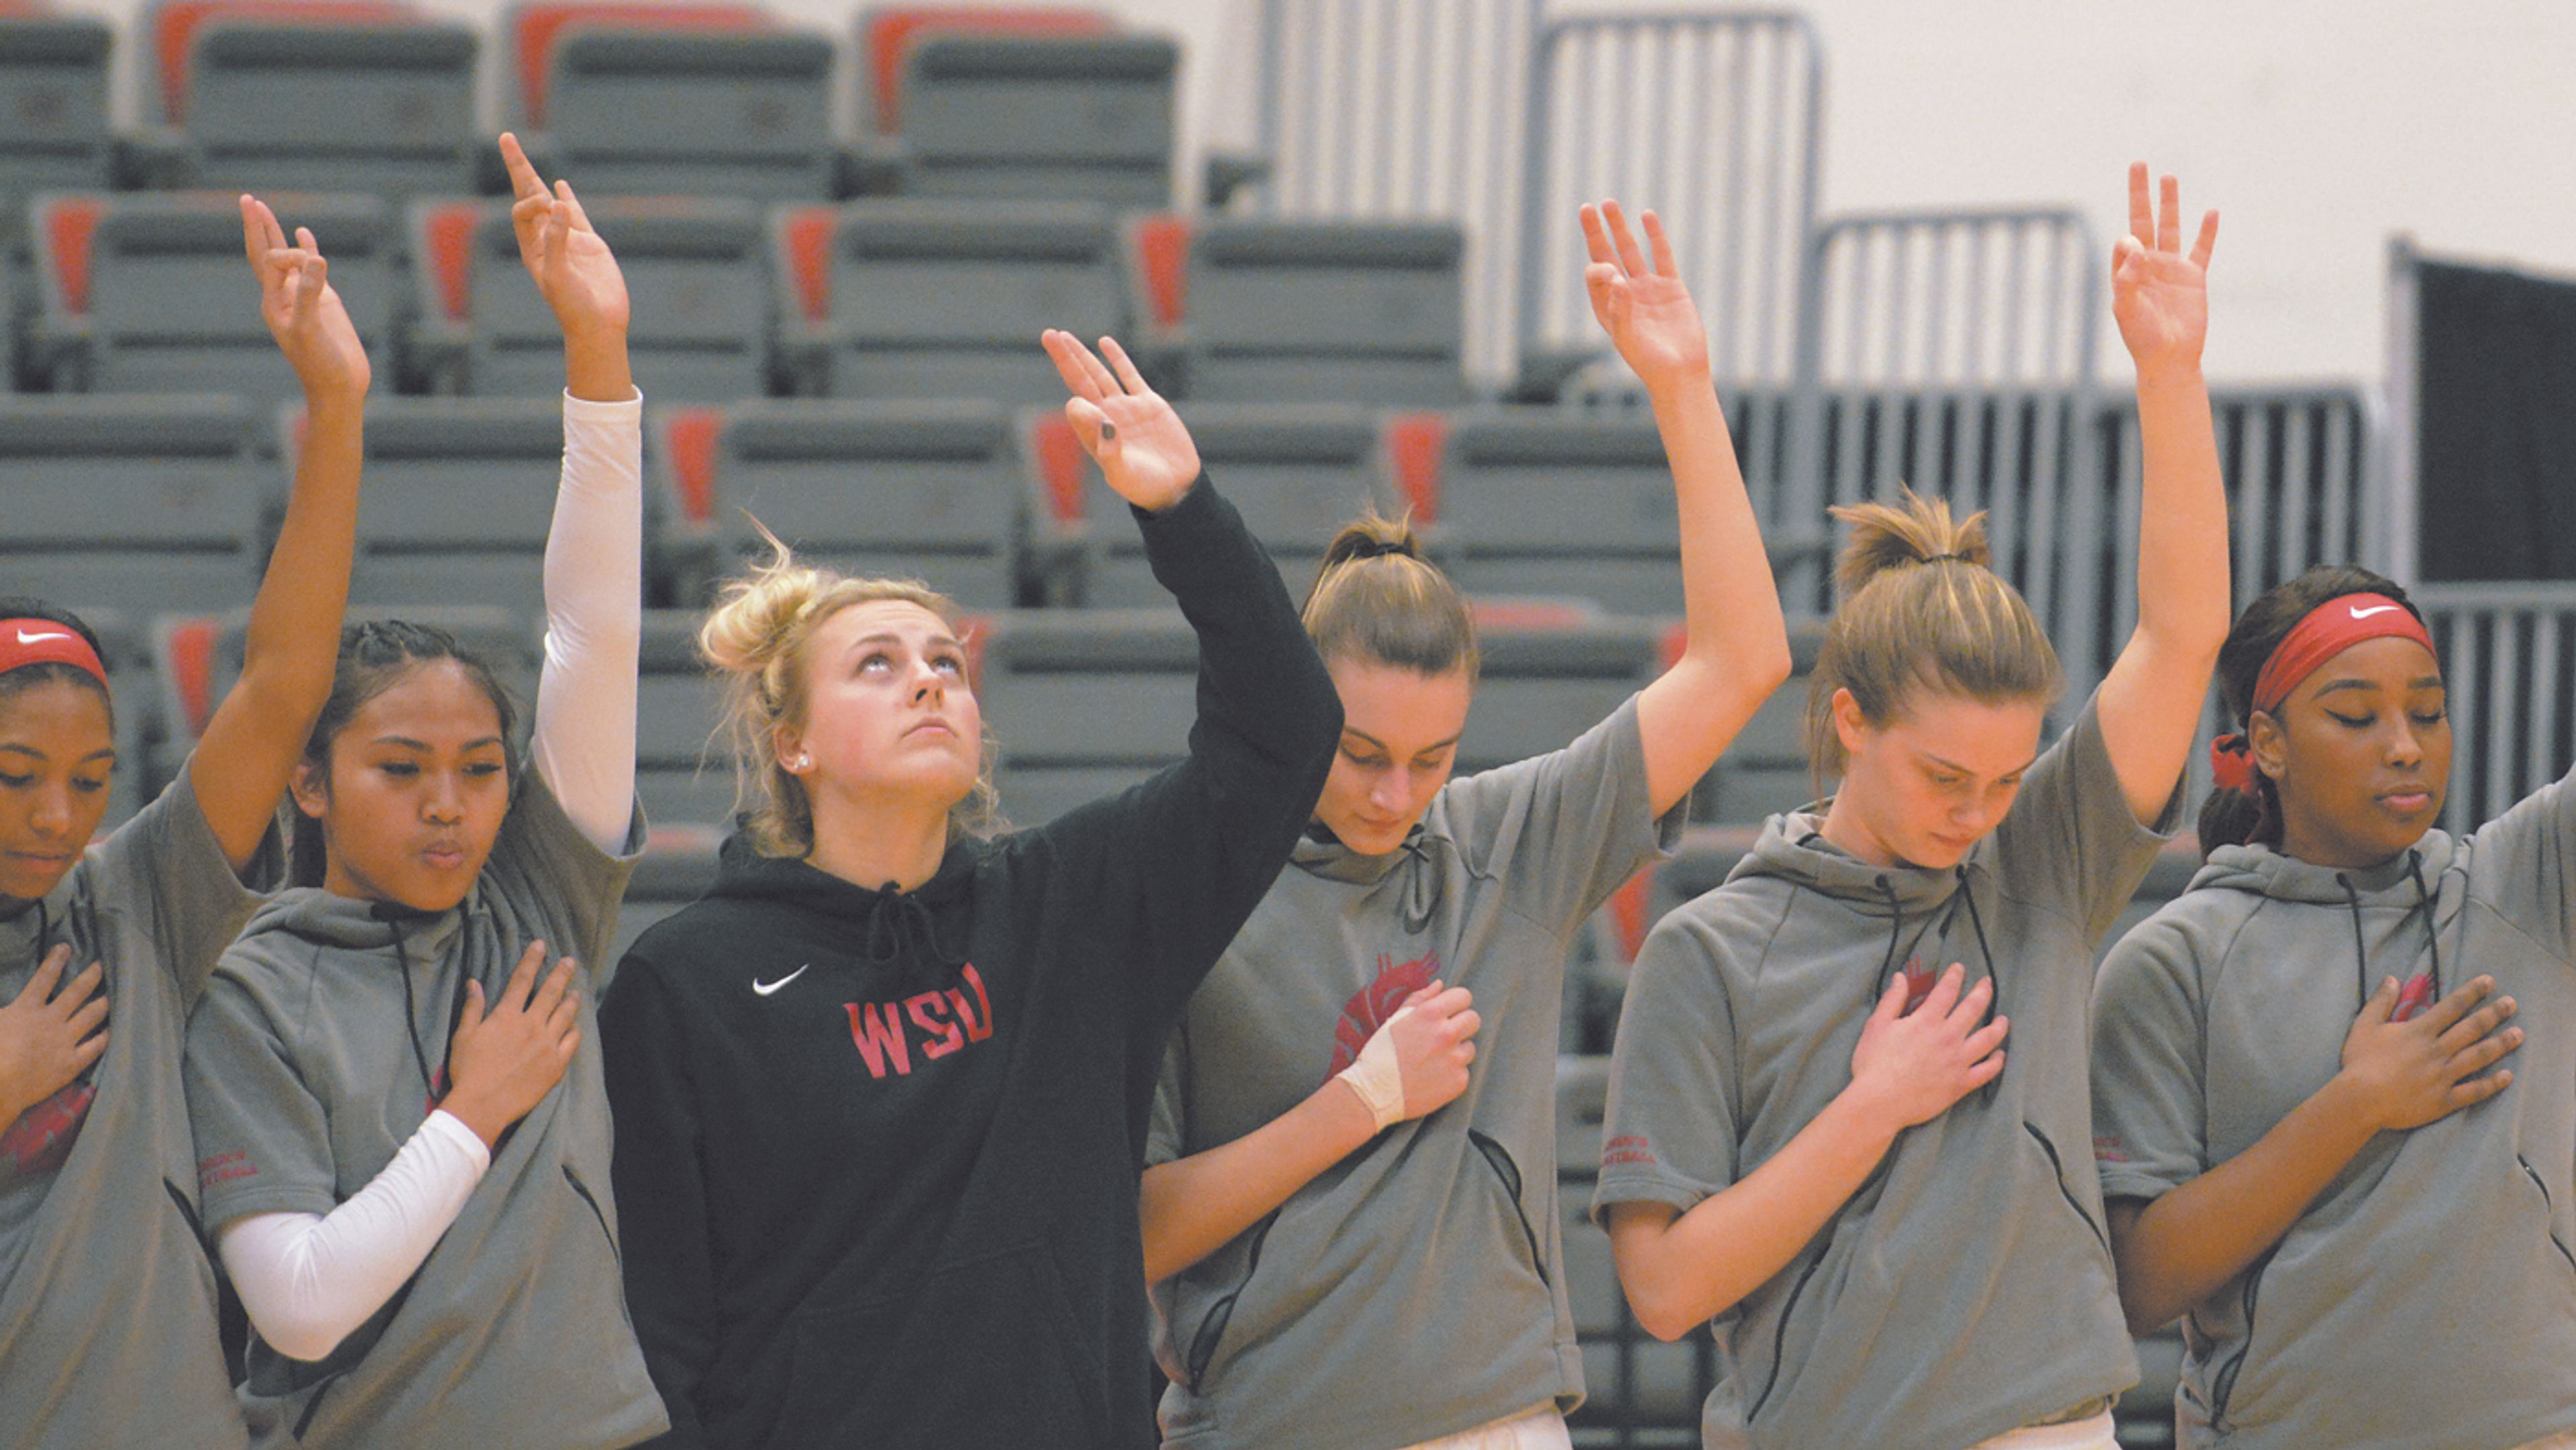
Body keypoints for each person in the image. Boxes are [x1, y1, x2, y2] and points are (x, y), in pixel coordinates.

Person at [597, 327, 1344, 1449]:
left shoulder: (1076, 907)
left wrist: (1183, 509)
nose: (930, 683)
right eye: (879, 665)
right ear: (792, 741)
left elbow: (1287, 734)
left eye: (946, 661)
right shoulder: (682, 982)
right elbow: (659, 1327)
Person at [1591, 164, 2231, 1450]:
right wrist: (1876, 1103)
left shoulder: (2041, 863)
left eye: (2005, 779)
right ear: (1850, 723)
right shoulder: (1709, 949)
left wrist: (2170, 372)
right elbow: (1664, 1291)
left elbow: (2181, 631)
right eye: (1946, 777)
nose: (1979, 812)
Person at [1140, 201, 1791, 1450]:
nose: (1397, 796)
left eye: (1431, 760)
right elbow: (1142, 1230)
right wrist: (1358, 1101)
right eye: (1361, 755)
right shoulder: (1186, 883)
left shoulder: (1514, 839)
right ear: (1294, 710)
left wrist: (1683, 387)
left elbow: (1744, 657)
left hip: (1493, 1418)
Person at [180, 134, 663, 1449]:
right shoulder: (246, 980)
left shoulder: (539, 908)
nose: (449, 805)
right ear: (311, 783)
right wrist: (473, 1110)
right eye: (401, 771)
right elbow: (298, 1307)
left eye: (478, 770)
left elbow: (593, 632)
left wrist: (598, 355)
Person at [0, 192, 362, 1449]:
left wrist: (337, 411)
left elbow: (281, 684)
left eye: (91, 776)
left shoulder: (133, 898)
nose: (58, 812)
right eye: (15, 773)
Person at [2088, 561, 2576, 1450]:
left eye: (2428, 712)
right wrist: (2356, 1106)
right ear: (2267, 743)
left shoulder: (2530, 880)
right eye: (2356, 716)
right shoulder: (2173, 960)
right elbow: (2138, 1285)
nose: (2405, 744)